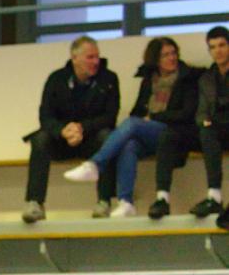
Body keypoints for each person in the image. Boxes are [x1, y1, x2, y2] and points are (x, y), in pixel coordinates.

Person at [64, 37, 201, 220]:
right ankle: (125, 202)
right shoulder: (149, 80)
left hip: (175, 133)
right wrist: (144, 120)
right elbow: (138, 110)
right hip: (152, 133)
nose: (171, 58)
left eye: (173, 53)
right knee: (129, 145)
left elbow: (186, 114)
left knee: (133, 123)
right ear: (155, 59)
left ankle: (95, 164)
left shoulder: (187, 78)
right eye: (165, 55)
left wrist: (152, 117)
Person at [22, 36, 120, 223]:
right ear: (74, 58)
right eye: (90, 57)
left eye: (97, 57)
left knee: (108, 137)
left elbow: (110, 117)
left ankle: (104, 201)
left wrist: (82, 128)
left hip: (91, 140)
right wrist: (63, 130)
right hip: (62, 141)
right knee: (40, 139)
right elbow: (46, 117)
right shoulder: (56, 79)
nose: (95, 62)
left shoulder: (109, 79)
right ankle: (34, 203)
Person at [192, 25, 229, 226]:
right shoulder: (207, 79)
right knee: (206, 131)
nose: (218, 51)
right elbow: (201, 111)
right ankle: (214, 195)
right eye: (213, 47)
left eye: (222, 45)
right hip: (218, 127)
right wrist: (203, 121)